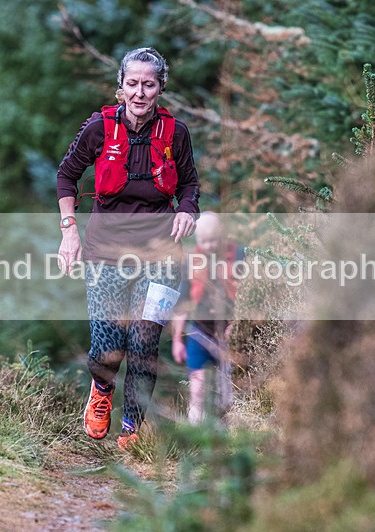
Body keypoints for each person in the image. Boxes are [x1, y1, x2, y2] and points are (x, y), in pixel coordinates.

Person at [56, 47, 200, 449]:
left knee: (143, 340)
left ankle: (132, 427)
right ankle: (102, 391)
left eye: (148, 84)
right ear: (120, 88)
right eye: (132, 84)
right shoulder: (99, 129)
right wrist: (70, 231)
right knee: (109, 347)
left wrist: (187, 210)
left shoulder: (176, 134)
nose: (140, 92)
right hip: (105, 252)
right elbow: (67, 176)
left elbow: (190, 185)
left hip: (162, 253)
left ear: (160, 88)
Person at [171, 212, 243, 424]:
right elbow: (182, 304)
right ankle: (195, 429)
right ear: (197, 240)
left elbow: (249, 295)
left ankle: (229, 432)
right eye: (204, 241)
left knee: (227, 389)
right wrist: (177, 340)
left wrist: (238, 326)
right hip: (199, 331)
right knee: (197, 387)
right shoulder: (191, 261)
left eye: (214, 240)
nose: (210, 246)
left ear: (223, 235)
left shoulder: (238, 255)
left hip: (228, 334)